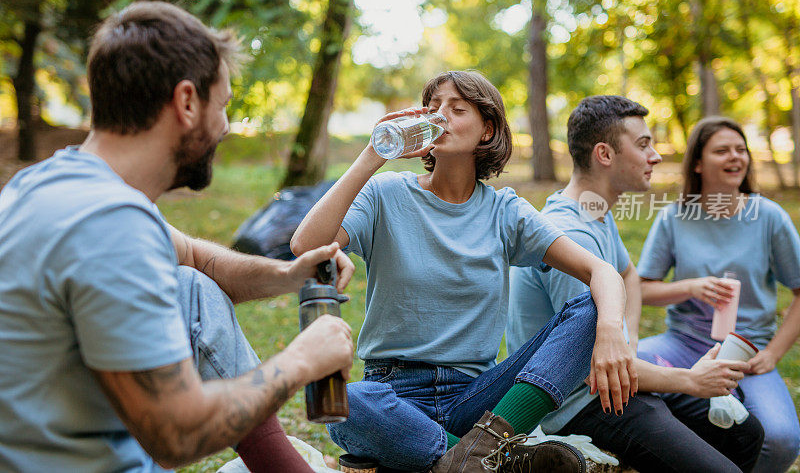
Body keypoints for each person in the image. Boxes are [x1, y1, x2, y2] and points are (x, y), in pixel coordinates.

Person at [0, 1, 356, 473]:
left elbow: (192, 257)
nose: (226, 128)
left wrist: (290, 275)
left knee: (191, 286)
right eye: (224, 105)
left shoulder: (51, 184)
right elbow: (175, 433)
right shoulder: (109, 224)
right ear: (187, 102)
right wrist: (299, 363)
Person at [291, 70, 637, 472]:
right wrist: (373, 154)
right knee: (348, 402)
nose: (440, 117)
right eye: (433, 108)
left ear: (487, 130)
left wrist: (612, 330)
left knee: (592, 309)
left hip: (478, 396)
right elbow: (305, 245)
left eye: (457, 109)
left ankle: (473, 451)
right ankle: (491, 458)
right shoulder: (386, 194)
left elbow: (603, 271)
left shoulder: (504, 210)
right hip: (393, 393)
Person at [508, 97, 764, 472]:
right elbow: (593, 365)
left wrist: (628, 344)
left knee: (744, 433)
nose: (656, 155)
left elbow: (628, 275)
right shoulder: (570, 234)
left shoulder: (594, 210)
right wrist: (690, 380)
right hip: (577, 402)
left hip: (614, 383)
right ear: (605, 154)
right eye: (643, 144)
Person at [637, 116, 800, 472]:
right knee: (624, 370)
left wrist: (772, 354)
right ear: (697, 162)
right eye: (722, 150)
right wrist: (690, 288)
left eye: (741, 150)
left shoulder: (769, 217)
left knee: (783, 439)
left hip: (748, 354)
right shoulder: (675, 217)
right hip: (683, 344)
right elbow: (641, 289)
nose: (736, 157)